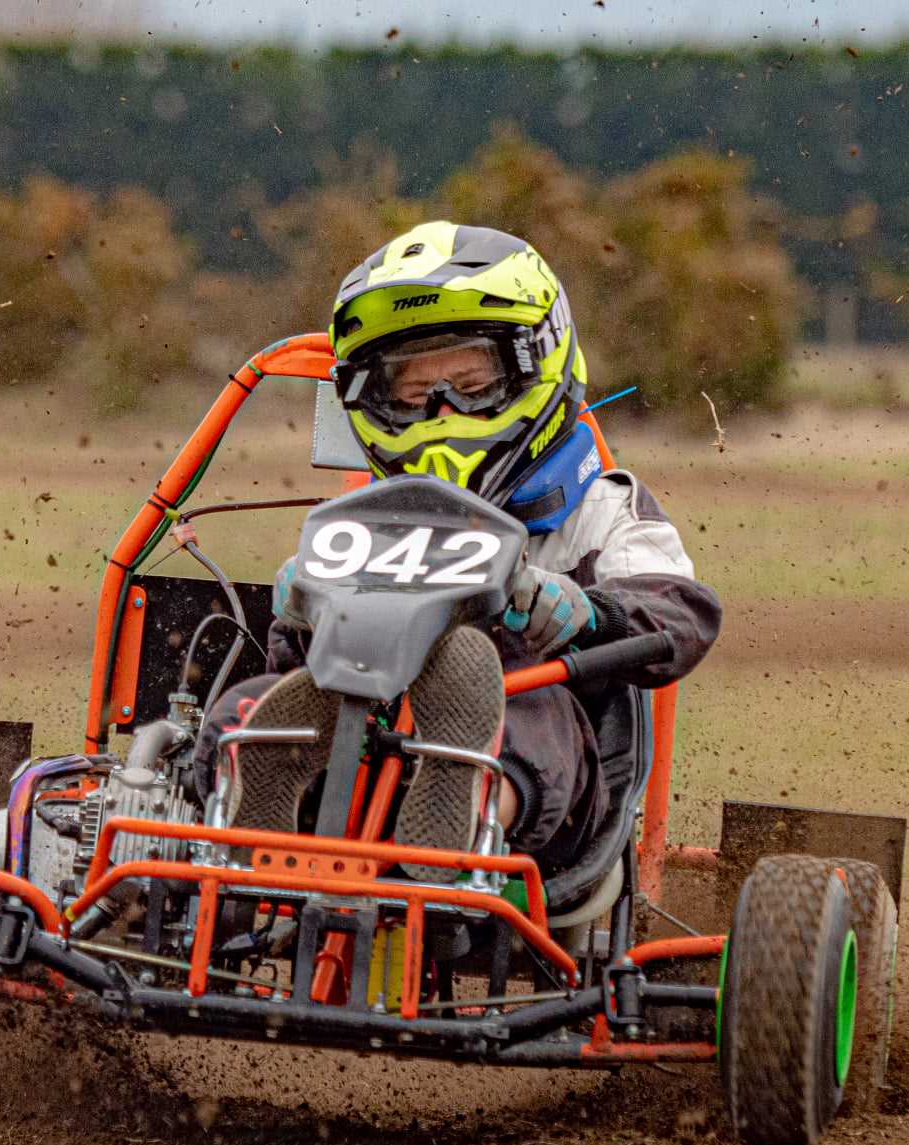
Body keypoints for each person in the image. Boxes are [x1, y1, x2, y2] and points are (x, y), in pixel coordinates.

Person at [193, 222, 720, 879]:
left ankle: (473, 803)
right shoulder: (367, 520)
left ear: (536, 363)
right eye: (415, 395)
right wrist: (306, 613)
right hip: (362, 754)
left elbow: (686, 616)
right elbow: (303, 669)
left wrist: (585, 612)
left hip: (549, 804)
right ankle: (243, 808)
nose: (443, 414)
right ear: (372, 400)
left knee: (513, 696)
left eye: (470, 386)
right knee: (251, 706)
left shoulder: (600, 509)